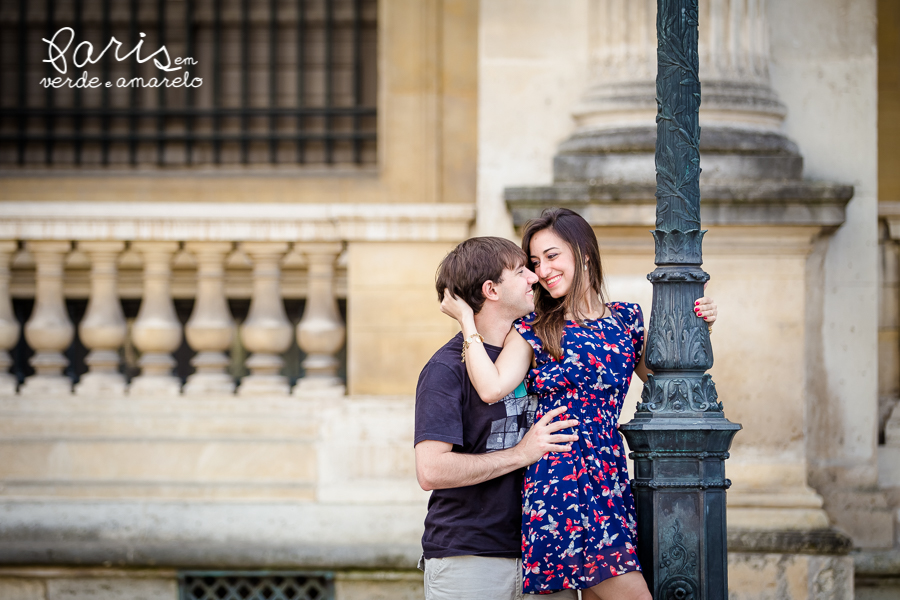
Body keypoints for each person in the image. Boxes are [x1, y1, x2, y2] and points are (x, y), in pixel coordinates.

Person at [440, 208, 716, 600]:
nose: (543, 270)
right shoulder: (534, 327)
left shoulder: (626, 321)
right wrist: (467, 322)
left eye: (552, 256)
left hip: (608, 475)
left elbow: (670, 386)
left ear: (583, 253)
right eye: (535, 262)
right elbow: (490, 388)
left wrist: (700, 328)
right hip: (558, 478)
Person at [414, 236, 581, 600]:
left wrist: (698, 326)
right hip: (470, 558)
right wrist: (521, 454)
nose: (534, 278)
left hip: (547, 549)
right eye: (521, 271)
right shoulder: (445, 369)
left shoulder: (542, 351)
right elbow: (431, 471)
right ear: (491, 289)